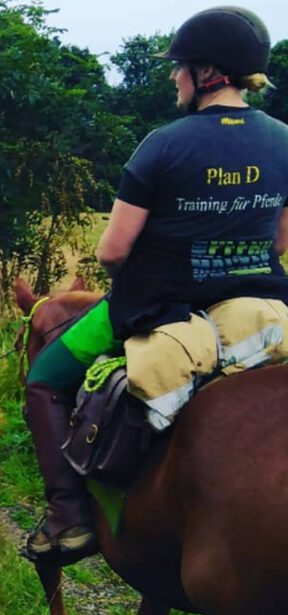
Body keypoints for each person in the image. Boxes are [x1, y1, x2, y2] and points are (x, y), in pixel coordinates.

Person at [22, 5, 288, 562]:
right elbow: (280, 243)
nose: (174, 76)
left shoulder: (163, 144)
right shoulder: (285, 140)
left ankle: (68, 517)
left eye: (180, 67)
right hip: (261, 306)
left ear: (207, 73)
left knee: (45, 378)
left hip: (162, 309)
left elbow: (112, 251)